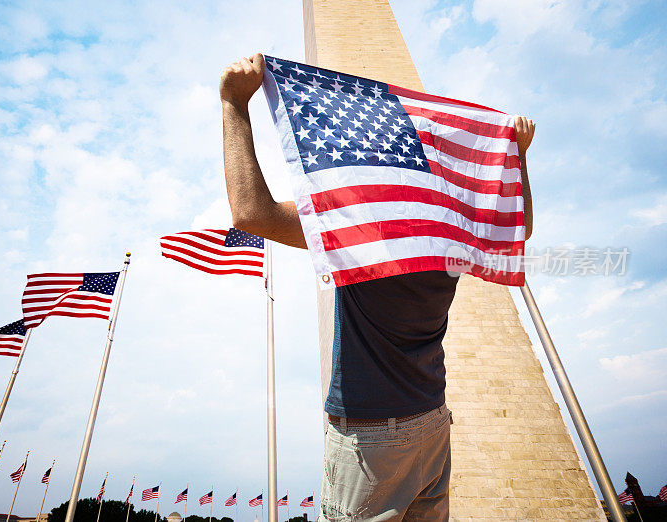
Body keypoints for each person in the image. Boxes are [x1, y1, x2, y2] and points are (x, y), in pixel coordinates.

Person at [219, 53, 535, 522]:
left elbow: (252, 213)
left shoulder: (363, 232)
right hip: (431, 419)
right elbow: (519, 223)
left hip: (371, 438)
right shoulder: (452, 229)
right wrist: (518, 155)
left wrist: (233, 105)